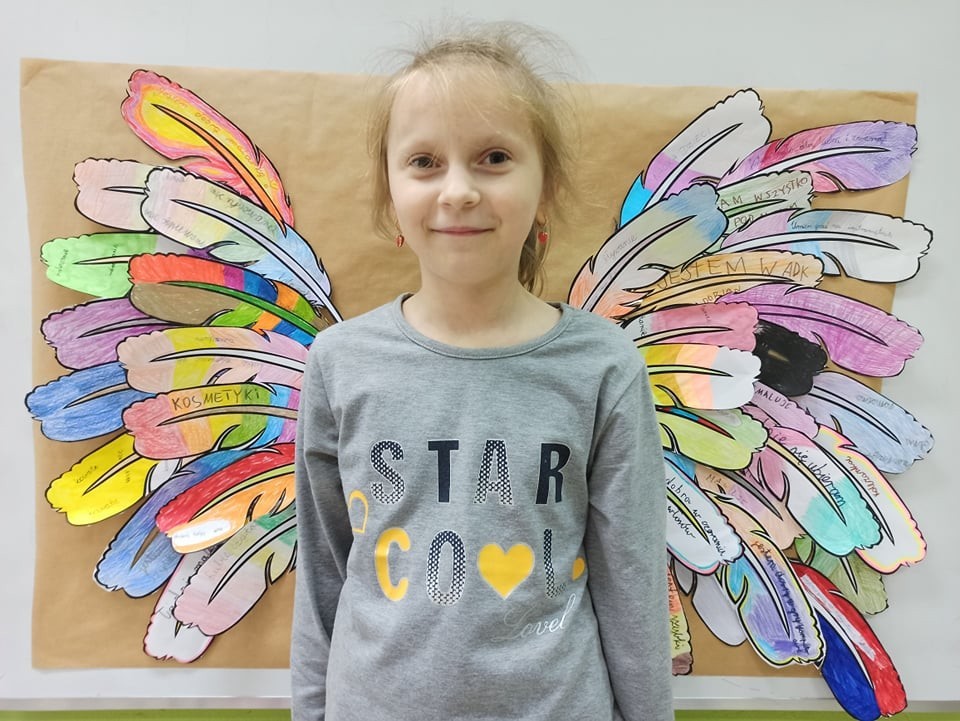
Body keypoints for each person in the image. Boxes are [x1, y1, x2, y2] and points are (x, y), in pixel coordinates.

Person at [292, 21, 673, 721]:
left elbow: (634, 581)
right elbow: (322, 574)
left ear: (544, 186)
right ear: (390, 191)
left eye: (494, 157)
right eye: (424, 161)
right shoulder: (340, 362)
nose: (459, 190)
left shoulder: (602, 365)